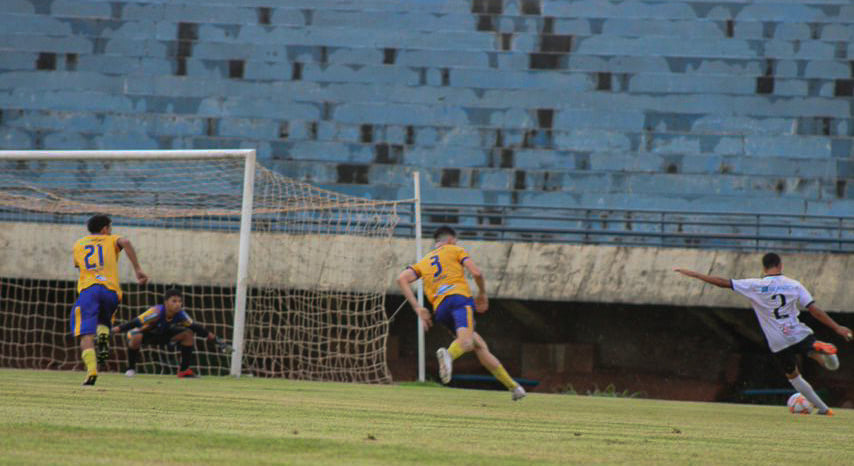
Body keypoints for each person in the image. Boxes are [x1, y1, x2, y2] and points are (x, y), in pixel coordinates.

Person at [674, 252, 852, 415]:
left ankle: (824, 409)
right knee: (827, 363)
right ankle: (818, 348)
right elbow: (814, 310)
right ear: (780, 265)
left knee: (794, 378)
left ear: (763, 267)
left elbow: (724, 282)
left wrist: (696, 275)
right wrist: (837, 327)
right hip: (797, 332)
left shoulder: (755, 285)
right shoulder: (794, 285)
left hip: (777, 341)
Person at [396, 226, 526, 401]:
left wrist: (418, 308)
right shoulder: (455, 250)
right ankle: (448, 355)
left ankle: (514, 387)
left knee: (478, 344)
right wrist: (482, 293)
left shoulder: (424, 261)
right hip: (459, 300)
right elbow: (477, 273)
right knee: (465, 342)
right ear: (450, 240)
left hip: (440, 309)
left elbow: (401, 279)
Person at [71, 214, 148, 386]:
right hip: (111, 291)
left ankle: (91, 371)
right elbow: (126, 243)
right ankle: (104, 333)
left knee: (85, 333)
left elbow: (79, 267)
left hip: (89, 290)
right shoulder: (111, 239)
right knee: (104, 320)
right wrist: (138, 270)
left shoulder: (79, 244)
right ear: (105, 228)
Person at [112, 288, 219, 378]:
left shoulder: (181, 314)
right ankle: (130, 369)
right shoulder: (156, 312)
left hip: (164, 335)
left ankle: (184, 370)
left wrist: (209, 335)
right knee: (135, 337)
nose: (178, 304)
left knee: (188, 334)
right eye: (174, 301)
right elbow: (135, 322)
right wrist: (116, 330)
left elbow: (194, 326)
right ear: (166, 302)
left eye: (179, 301)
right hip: (148, 334)